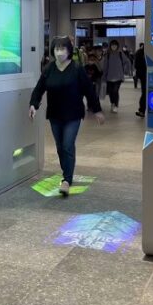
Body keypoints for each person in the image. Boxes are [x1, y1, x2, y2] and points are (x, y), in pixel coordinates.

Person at [30, 36, 105, 196]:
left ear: (69, 51)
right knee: (59, 147)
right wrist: (33, 104)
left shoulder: (77, 69)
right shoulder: (49, 69)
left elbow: (89, 91)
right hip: (55, 114)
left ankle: (66, 179)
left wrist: (97, 109)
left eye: (63, 49)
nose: (59, 52)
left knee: (67, 145)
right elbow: (39, 89)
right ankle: (66, 172)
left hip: (73, 114)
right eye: (57, 49)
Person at [101, 40, 131, 113]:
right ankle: (112, 103)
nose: (114, 47)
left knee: (115, 91)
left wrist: (126, 70)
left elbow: (127, 61)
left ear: (117, 46)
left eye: (115, 45)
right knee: (111, 92)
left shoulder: (120, 54)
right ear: (110, 46)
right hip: (109, 77)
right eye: (112, 45)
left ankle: (116, 105)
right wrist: (104, 76)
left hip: (118, 76)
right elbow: (105, 66)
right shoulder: (107, 55)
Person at [135, 42, 148, 117]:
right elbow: (137, 65)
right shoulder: (139, 53)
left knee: (145, 93)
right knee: (145, 93)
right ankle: (142, 110)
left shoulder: (140, 52)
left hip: (147, 75)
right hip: (144, 76)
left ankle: (142, 110)